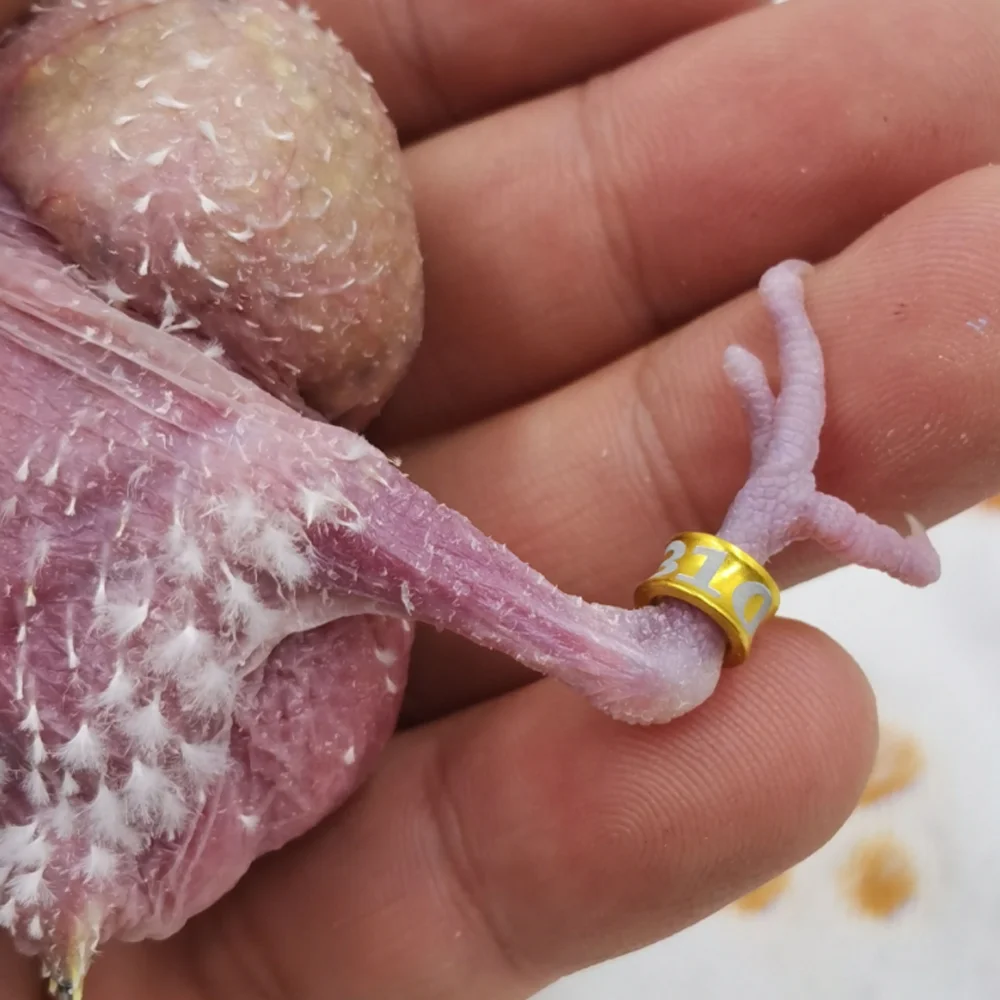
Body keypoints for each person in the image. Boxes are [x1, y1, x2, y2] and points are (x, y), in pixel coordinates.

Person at [1, 0, 996, 995]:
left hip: (160, 769)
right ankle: (647, 646)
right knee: (275, 486)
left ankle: (646, 645)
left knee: (273, 487)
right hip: (145, 777)